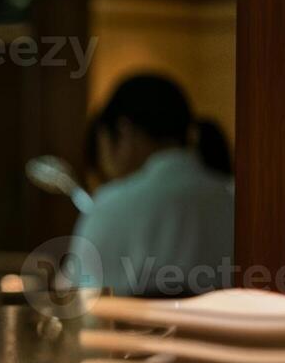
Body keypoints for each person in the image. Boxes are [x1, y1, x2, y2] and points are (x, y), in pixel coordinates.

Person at [73, 73, 234, 296]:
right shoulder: (231, 197)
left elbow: (79, 299)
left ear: (124, 130)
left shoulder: (113, 204)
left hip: (125, 331)